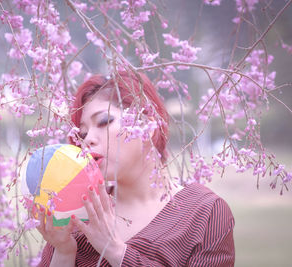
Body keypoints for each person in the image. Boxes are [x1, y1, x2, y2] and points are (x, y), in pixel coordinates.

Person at [36, 71, 235, 266]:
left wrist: (114, 250)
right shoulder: (78, 210)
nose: (88, 140)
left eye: (104, 121)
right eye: (83, 132)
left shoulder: (204, 214)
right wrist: (63, 251)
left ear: (148, 126)